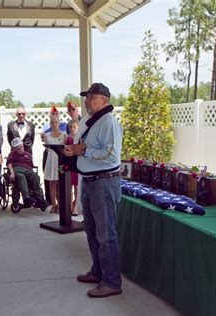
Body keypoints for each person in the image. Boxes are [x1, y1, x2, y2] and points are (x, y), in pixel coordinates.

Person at [64, 82, 123, 298]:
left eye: (91, 97)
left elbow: (112, 155)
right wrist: (75, 150)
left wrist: (84, 151)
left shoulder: (109, 123)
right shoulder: (92, 121)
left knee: (106, 235)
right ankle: (98, 272)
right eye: (86, 97)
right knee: (91, 230)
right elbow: (88, 147)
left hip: (104, 182)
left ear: (104, 101)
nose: (87, 100)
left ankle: (111, 281)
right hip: (91, 182)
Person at [6, 138, 48, 208]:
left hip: (28, 170)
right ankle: (26, 197)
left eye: (21, 147)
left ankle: (38, 196)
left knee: (35, 176)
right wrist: (12, 173)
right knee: (21, 177)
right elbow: (9, 164)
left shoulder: (28, 155)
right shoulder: (12, 154)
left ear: (23, 145)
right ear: (14, 149)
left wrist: (32, 173)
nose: (20, 149)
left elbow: (31, 166)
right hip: (17, 169)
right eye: (17, 148)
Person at [43, 116, 67, 213]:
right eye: (52, 122)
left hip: (60, 160)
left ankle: (61, 205)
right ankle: (53, 205)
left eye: (56, 122)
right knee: (52, 183)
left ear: (59, 123)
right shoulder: (47, 135)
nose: (54, 124)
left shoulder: (64, 134)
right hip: (50, 160)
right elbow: (46, 149)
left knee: (60, 183)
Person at [67, 118, 80, 216]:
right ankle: (70, 206)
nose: (72, 129)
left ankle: (75, 207)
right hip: (70, 163)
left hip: (78, 163)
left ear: (78, 127)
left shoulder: (80, 138)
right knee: (69, 186)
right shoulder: (67, 138)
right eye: (70, 127)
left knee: (76, 187)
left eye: (74, 127)